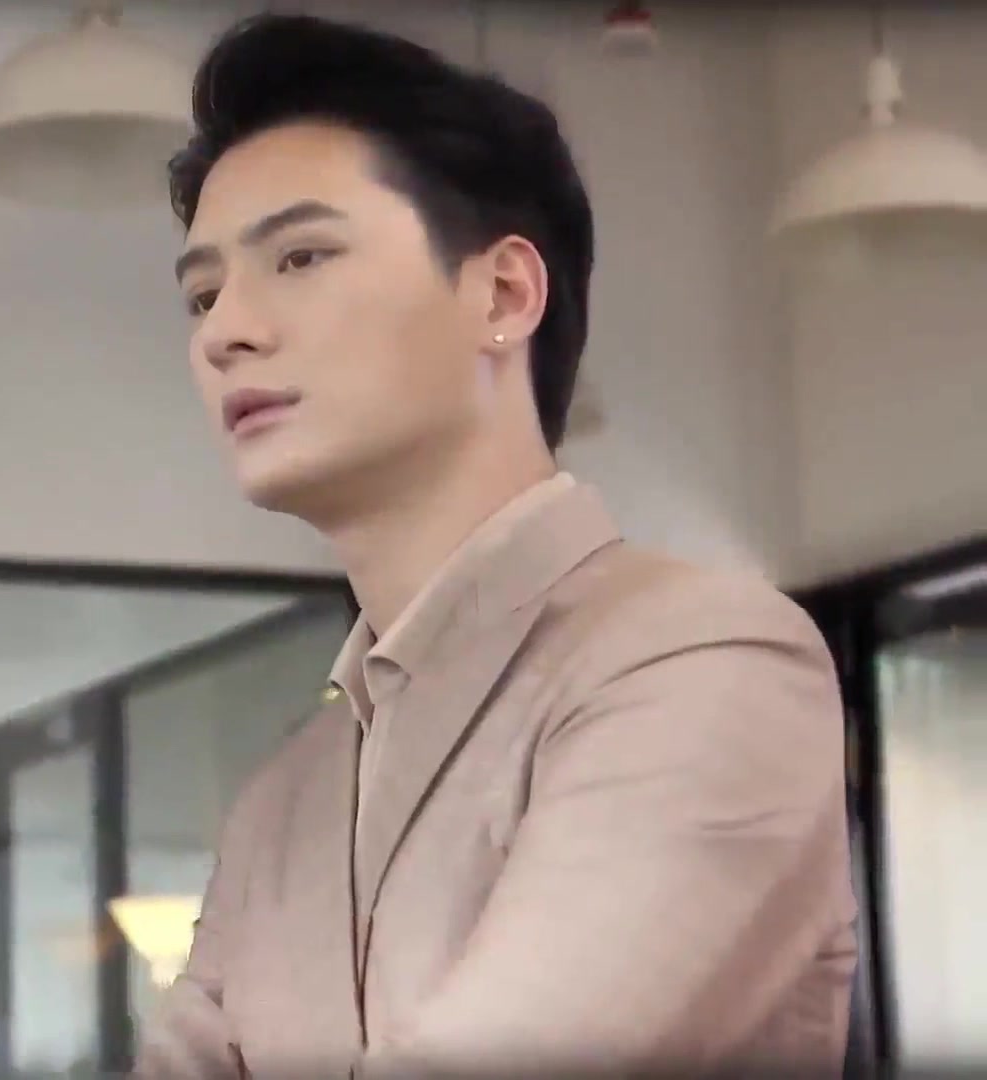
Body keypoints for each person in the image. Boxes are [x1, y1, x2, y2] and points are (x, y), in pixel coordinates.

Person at [137, 13, 857, 1078]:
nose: (222, 330)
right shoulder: (281, 805)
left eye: (300, 256)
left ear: (504, 293)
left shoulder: (705, 662)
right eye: (202, 293)